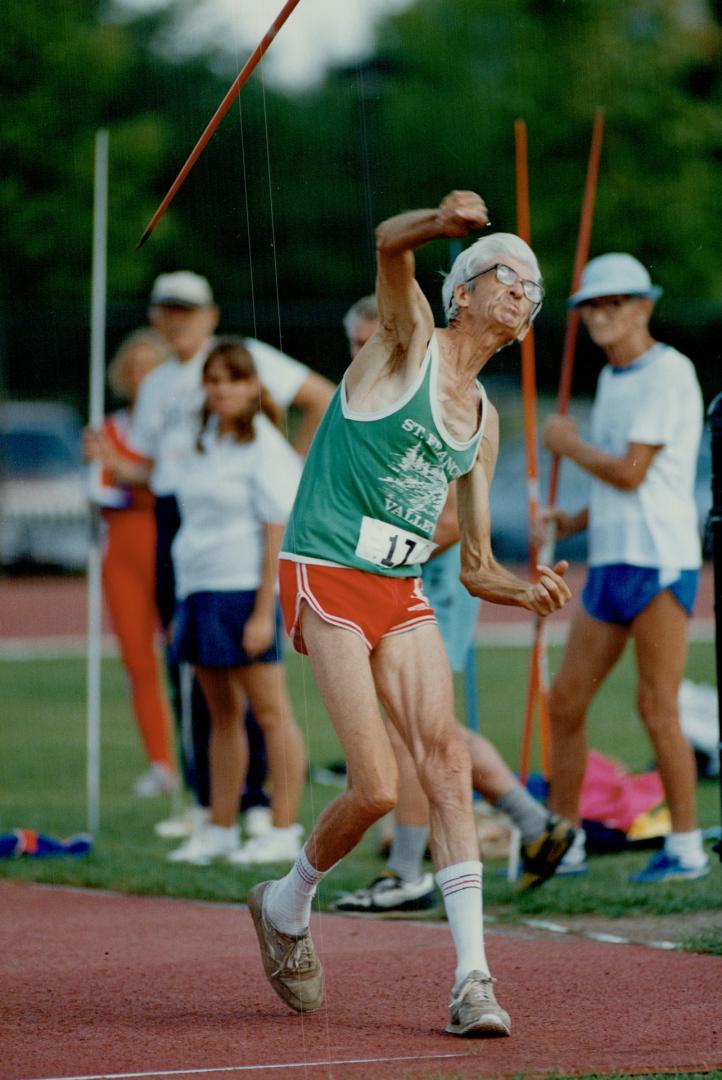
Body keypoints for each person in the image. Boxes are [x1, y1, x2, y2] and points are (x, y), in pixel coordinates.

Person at [247, 191, 571, 1037]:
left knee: (448, 767)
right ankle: (286, 905)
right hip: (326, 571)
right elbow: (388, 243)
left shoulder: (487, 423)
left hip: (402, 591)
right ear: (462, 288)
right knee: (377, 789)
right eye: (509, 273)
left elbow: (474, 564)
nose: (523, 292)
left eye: (535, 290)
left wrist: (525, 588)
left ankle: (474, 982)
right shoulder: (406, 342)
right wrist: (437, 220)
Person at [332, 297, 573, 915]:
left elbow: (452, 520)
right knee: (420, 726)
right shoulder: (370, 408)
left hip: (424, 577)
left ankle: (413, 868)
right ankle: (533, 823)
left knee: (415, 726)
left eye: (378, 341)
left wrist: (382, 547)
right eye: (361, 345)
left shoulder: (448, 404)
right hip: (397, 575)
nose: (372, 354)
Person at [97, 272, 334, 841]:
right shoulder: (175, 406)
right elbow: (158, 474)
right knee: (209, 693)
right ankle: (215, 812)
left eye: (188, 309)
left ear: (210, 314)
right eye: (166, 310)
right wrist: (109, 457)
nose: (176, 319)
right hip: (191, 542)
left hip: (244, 551)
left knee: (263, 700)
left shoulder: (255, 410)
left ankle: (270, 815)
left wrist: (291, 477)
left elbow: (321, 399)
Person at [541, 252, 708, 884]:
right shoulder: (613, 379)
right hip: (610, 560)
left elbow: (633, 473)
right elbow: (618, 481)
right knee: (564, 702)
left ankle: (687, 849)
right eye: (592, 306)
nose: (602, 315)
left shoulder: (670, 372)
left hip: (659, 560)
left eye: (615, 304)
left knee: (656, 707)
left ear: (644, 306)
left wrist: (567, 444)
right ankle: (566, 842)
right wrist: (572, 522)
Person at [166, 338, 307, 865]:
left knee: (271, 713)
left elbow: (277, 526)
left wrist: (260, 610)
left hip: (243, 592)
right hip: (199, 591)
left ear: (253, 387)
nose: (222, 389)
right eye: (215, 379)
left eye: (234, 378)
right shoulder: (204, 441)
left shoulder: (264, 445)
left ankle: (282, 827)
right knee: (220, 713)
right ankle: (220, 828)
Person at [84, 329, 177, 797]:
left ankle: (201, 758)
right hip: (124, 545)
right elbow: (100, 490)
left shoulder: (174, 425)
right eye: (134, 367)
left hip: (171, 539)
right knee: (137, 658)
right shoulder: (112, 428)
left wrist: (125, 471)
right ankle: (160, 763)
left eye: (150, 367)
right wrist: (118, 471)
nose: (142, 376)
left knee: (189, 652)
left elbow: (165, 484)